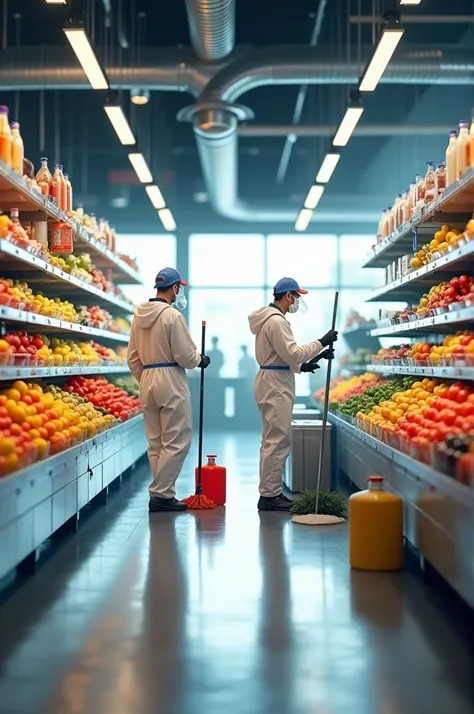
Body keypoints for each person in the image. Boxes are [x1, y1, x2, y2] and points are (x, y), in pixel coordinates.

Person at [248, 277, 337, 512]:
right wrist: (321, 342)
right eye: (297, 297)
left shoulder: (270, 319)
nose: (297, 301)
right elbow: (293, 353)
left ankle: (271, 492)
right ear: (288, 296)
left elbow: (285, 357)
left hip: (273, 378)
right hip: (275, 384)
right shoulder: (277, 322)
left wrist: (305, 366)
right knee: (277, 440)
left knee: (273, 438)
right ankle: (269, 495)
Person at [127, 267, 210, 512]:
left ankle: (163, 492)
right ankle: (161, 494)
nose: (179, 293)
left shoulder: (138, 316)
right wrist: (200, 360)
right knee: (177, 439)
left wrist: (147, 378)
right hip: (170, 377)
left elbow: (132, 358)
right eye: (179, 288)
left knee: (156, 442)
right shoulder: (172, 316)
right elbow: (184, 355)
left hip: (147, 378)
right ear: (174, 288)